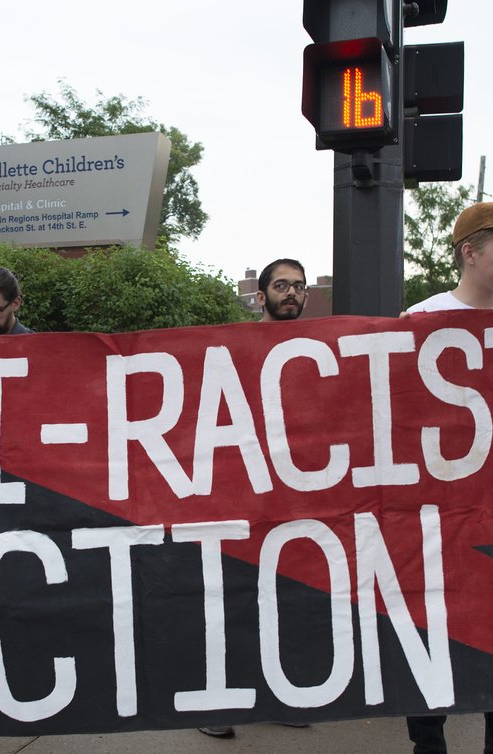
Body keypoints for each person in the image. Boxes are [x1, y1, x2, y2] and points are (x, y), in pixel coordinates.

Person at [401, 201, 493, 754]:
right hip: (434, 506)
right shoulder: (420, 320)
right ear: (469, 252)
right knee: (429, 617)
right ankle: (427, 740)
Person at [197, 257, 311, 741]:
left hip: (295, 499)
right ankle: (216, 703)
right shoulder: (232, 348)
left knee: (283, 599)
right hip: (239, 496)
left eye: (299, 286)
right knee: (234, 600)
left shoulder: (318, 350)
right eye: (281, 285)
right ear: (260, 296)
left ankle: (275, 697)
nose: (292, 293)